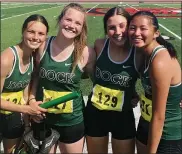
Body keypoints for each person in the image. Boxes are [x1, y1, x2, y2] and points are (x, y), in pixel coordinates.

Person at [28, 3, 95, 154]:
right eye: (68, 20)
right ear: (60, 20)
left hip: (72, 121)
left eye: (78, 23)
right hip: (43, 118)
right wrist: (31, 101)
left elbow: (98, 82)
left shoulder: (86, 53)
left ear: (82, 28)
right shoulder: (42, 45)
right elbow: (35, 77)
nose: (72, 25)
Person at [84, 7, 143, 154]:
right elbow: (91, 75)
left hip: (123, 116)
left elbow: (154, 78)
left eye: (122, 26)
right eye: (111, 28)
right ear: (106, 29)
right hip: (95, 114)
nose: (118, 32)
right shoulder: (99, 45)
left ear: (130, 26)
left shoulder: (138, 53)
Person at [128, 10, 182, 154]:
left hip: (166, 132)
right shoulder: (141, 51)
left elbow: (159, 115)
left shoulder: (159, 61)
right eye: (132, 28)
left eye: (143, 28)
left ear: (156, 33)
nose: (136, 33)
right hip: (146, 123)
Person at [0, 14, 49, 154]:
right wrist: (27, 109)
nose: (35, 37)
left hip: (14, 117)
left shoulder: (33, 58)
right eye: (31, 31)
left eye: (41, 33)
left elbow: (25, 93)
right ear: (23, 31)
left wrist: (27, 124)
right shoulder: (6, 59)